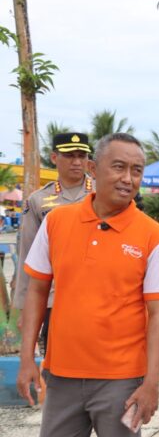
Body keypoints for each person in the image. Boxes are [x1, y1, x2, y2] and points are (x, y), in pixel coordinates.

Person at [16, 133, 159, 437]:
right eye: (118, 167)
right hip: (61, 376)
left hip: (122, 383)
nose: (128, 178)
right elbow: (36, 289)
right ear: (94, 168)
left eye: (136, 170)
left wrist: (151, 383)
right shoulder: (56, 222)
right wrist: (27, 358)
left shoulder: (153, 237)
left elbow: (158, 315)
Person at [14, 132, 94, 351]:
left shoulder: (103, 193)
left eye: (82, 155)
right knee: (55, 363)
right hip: (53, 298)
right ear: (54, 158)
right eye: (69, 155)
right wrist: (23, 309)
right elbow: (27, 255)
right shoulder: (39, 200)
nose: (77, 162)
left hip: (98, 294)